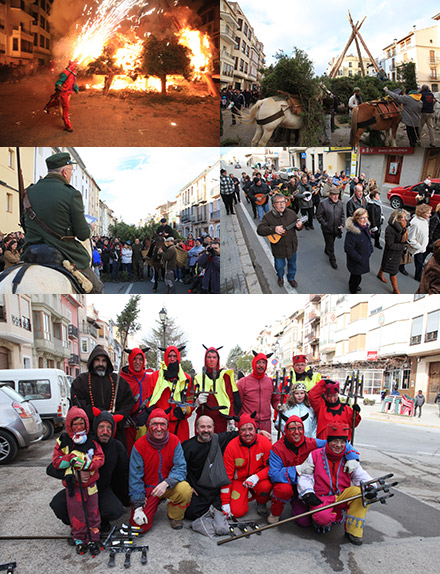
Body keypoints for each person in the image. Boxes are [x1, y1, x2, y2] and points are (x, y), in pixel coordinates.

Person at [21, 152, 103, 293]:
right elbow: (83, 234)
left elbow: (25, 223)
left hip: (30, 252)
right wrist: (90, 227)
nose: (71, 175)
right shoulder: (71, 194)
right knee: (97, 288)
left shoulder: (29, 192)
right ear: (65, 172)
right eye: (71, 171)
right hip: (63, 251)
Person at [49, 410, 129, 536]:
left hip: (101, 489)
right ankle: (78, 525)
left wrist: (133, 497)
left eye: (109, 428)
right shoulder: (82, 442)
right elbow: (51, 468)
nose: (105, 431)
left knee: (115, 510)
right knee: (58, 505)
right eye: (101, 427)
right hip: (76, 488)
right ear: (95, 426)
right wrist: (73, 475)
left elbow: (126, 472)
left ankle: (99, 523)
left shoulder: (117, 446)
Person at [267, 416, 359, 524]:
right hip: (287, 483)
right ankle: (275, 513)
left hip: (304, 485)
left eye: (300, 428)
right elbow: (274, 474)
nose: (296, 432)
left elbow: (335, 443)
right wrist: (297, 469)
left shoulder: (311, 442)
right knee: (283, 490)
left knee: (304, 522)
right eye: (292, 429)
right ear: (286, 430)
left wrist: (353, 456)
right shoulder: (277, 448)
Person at [297, 422, 373, 545]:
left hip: (342, 496)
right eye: (335, 441)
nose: (338, 445)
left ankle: (353, 531)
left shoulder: (349, 458)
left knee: (361, 492)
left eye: (342, 442)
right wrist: (308, 493)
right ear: (328, 441)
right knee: (322, 518)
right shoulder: (315, 455)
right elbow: (306, 476)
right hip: (321, 499)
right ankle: (328, 516)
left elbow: (361, 475)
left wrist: (371, 487)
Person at [52, 407, 105, 555]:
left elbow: (100, 458)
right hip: (73, 487)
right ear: (69, 425)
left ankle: (94, 537)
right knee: (77, 514)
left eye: (81, 424)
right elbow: (56, 463)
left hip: (91, 485)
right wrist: (71, 459)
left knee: (93, 512)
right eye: (75, 424)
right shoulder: (63, 441)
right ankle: (80, 539)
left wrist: (89, 465)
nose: (78, 427)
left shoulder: (92, 440)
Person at [129, 408, 192, 531]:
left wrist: (167, 483)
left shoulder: (174, 441)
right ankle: (149, 505)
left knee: (185, 489)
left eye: (162, 424)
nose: (158, 428)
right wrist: (138, 505)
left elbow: (181, 467)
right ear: (149, 426)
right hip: (149, 489)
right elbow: (135, 476)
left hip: (168, 486)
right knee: (139, 527)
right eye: (155, 424)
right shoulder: (139, 445)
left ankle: (174, 516)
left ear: (167, 426)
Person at [70, 345, 135, 446]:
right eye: (97, 360)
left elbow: (128, 401)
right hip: (90, 431)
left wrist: (117, 416)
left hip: (114, 431)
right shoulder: (81, 381)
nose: (100, 363)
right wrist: (98, 414)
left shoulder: (117, 380)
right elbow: (78, 403)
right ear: (92, 361)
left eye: (104, 360)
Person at [182, 415, 237, 520]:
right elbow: (180, 469)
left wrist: (258, 432)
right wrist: (188, 486)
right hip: (198, 488)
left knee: (234, 509)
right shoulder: (187, 446)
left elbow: (241, 434)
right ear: (197, 428)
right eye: (202, 427)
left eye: (209, 427)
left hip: (215, 487)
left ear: (213, 428)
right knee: (190, 513)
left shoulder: (219, 439)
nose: (206, 430)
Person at [221, 414, 272, 518]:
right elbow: (227, 476)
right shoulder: (231, 447)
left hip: (258, 479)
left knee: (266, 486)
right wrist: (225, 502)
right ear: (239, 431)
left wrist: (256, 477)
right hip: (239, 481)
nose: (247, 433)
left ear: (255, 429)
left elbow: (270, 467)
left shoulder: (265, 443)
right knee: (237, 512)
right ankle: (244, 497)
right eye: (243, 430)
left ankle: (261, 502)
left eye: (250, 429)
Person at [257, 193, 303, 288]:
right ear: (274, 204)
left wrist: (300, 225)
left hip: (291, 246)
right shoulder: (268, 217)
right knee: (279, 267)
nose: (282, 204)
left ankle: (291, 278)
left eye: (283, 202)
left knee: (292, 265)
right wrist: (274, 229)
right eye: (279, 202)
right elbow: (260, 230)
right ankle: (280, 277)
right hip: (278, 249)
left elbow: (298, 223)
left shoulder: (291, 213)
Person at [147, 346, 193, 442]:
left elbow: (190, 399)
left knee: (180, 452)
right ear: (165, 357)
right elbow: (149, 399)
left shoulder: (186, 378)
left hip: (180, 423)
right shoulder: (155, 377)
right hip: (160, 424)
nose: (172, 359)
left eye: (175, 356)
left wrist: (186, 410)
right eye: (169, 356)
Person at [194, 346, 240, 433]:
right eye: (209, 357)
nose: (212, 360)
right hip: (203, 418)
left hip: (221, 419)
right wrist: (197, 401)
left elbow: (232, 397)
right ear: (205, 359)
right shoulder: (198, 378)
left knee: (219, 444)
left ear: (218, 359)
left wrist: (231, 419)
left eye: (214, 357)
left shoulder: (225, 376)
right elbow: (190, 401)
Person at [236, 352, 280, 432]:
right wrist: (236, 423)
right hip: (248, 423)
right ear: (254, 363)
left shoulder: (270, 382)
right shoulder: (243, 382)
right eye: (259, 362)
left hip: (265, 423)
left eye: (264, 363)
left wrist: (279, 406)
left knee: (265, 444)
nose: (261, 365)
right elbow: (237, 404)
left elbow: (276, 399)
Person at [120, 347, 151, 455]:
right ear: (130, 360)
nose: (138, 362)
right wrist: (123, 418)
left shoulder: (149, 379)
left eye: (140, 359)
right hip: (128, 425)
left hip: (145, 424)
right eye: (135, 359)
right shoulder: (122, 379)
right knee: (128, 453)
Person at [377, 209, 408, 294]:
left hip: (397, 252)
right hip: (392, 253)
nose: (406, 220)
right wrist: (402, 246)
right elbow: (390, 245)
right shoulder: (390, 229)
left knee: (385, 263)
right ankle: (396, 290)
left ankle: (380, 274)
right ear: (398, 219)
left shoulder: (402, 225)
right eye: (404, 218)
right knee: (393, 271)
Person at [344, 208, 373, 294]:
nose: (365, 220)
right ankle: (352, 288)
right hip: (356, 261)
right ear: (357, 219)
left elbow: (368, 240)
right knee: (355, 276)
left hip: (363, 257)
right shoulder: (352, 232)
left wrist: (370, 249)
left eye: (366, 217)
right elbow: (348, 248)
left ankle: (355, 286)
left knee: (358, 275)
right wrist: (359, 258)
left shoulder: (365, 227)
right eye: (362, 218)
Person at [45, 60, 79, 131]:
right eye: (75, 66)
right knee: (65, 107)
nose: (76, 67)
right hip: (64, 93)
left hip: (69, 92)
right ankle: (68, 126)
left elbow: (73, 82)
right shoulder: (65, 73)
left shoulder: (73, 73)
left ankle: (48, 107)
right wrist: (58, 86)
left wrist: (76, 89)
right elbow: (59, 82)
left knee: (58, 103)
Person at [316, 186, 344, 269]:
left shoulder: (339, 203)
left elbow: (342, 215)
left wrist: (342, 224)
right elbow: (319, 215)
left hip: (336, 228)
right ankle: (332, 260)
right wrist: (325, 224)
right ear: (330, 195)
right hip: (327, 229)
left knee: (331, 242)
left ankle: (326, 249)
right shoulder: (323, 203)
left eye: (337, 195)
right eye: (333, 195)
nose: (335, 197)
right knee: (331, 245)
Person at [406, 203, 432, 282]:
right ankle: (417, 276)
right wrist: (419, 246)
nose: (430, 215)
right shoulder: (415, 223)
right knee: (413, 260)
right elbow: (410, 238)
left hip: (421, 247)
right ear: (422, 213)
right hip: (416, 247)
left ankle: (417, 275)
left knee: (418, 262)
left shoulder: (425, 221)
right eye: (428, 213)